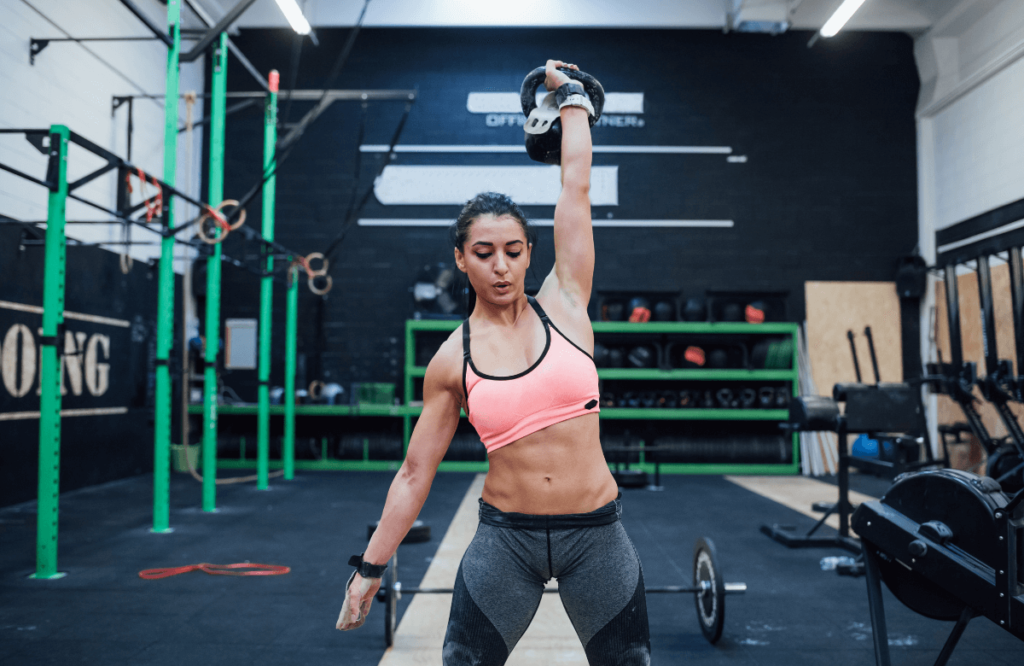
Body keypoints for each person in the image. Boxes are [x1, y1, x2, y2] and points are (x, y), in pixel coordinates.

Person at [337, 59, 651, 665]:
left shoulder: (566, 301)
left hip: (598, 536)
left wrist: (573, 102)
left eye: (512, 250)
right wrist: (369, 569)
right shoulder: (451, 359)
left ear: (531, 252)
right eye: (484, 253)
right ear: (461, 259)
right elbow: (413, 473)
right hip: (507, 540)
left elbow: (576, 185)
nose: (501, 266)